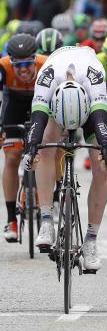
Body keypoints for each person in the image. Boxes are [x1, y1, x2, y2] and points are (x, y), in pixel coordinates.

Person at [23, 45, 107, 271]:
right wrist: (30, 150)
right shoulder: (46, 78)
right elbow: (36, 123)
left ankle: (91, 241)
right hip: (57, 98)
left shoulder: (94, 76)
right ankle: (46, 220)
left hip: (91, 105)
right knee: (43, 147)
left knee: (102, 167)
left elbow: (102, 123)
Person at [1, 35, 48, 241]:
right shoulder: (2, 67)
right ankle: (11, 219)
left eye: (27, 64)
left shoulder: (47, 65)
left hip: (41, 102)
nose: (22, 70)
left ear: (34, 58)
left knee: (46, 151)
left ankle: (49, 200)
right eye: (17, 65)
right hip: (14, 106)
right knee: (11, 157)